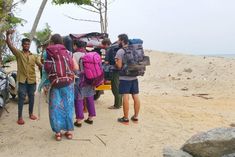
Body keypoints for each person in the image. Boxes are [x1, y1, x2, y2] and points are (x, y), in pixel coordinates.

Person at [5, 30, 42, 125]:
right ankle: (20, 117)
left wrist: (46, 65)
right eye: (25, 44)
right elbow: (10, 46)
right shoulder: (18, 54)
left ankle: (31, 114)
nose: (27, 46)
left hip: (32, 80)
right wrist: (8, 35)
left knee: (31, 98)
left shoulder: (34, 56)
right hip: (22, 80)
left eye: (28, 44)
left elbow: (40, 65)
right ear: (22, 45)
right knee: (21, 98)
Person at [44, 34, 75, 141]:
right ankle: (69, 131)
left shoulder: (47, 53)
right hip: (68, 83)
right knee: (68, 107)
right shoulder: (68, 52)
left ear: (52, 41)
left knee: (55, 108)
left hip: (54, 84)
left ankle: (58, 133)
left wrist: (44, 85)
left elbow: (45, 71)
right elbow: (75, 67)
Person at [115, 34, 140, 124]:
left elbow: (119, 66)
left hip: (124, 77)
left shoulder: (120, 51)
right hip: (134, 76)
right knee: (135, 95)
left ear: (122, 41)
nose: (117, 41)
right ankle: (136, 117)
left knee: (125, 96)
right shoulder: (134, 49)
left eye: (118, 40)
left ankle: (125, 118)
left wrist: (116, 63)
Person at [73, 40, 96, 127]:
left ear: (76, 46)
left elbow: (74, 68)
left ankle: (79, 120)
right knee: (90, 97)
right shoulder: (88, 54)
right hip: (89, 79)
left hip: (79, 79)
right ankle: (90, 118)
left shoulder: (74, 55)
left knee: (79, 98)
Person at [103, 38, 123, 109]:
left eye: (104, 46)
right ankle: (120, 103)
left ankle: (117, 105)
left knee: (115, 88)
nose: (104, 48)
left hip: (115, 70)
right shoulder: (117, 47)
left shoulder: (110, 49)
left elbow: (106, 62)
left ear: (106, 44)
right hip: (122, 69)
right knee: (119, 87)